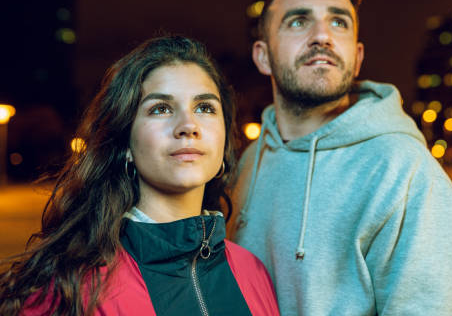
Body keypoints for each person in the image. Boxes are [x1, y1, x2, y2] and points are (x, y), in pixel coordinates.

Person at [228, 0, 452, 315]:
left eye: (338, 22)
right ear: (263, 57)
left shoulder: (403, 170)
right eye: (298, 21)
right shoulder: (250, 161)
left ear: (357, 58)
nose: (322, 36)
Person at [0, 36, 279, 316]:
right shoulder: (70, 290)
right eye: (161, 109)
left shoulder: (252, 272)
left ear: (224, 142)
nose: (188, 126)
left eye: (204, 108)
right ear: (127, 146)